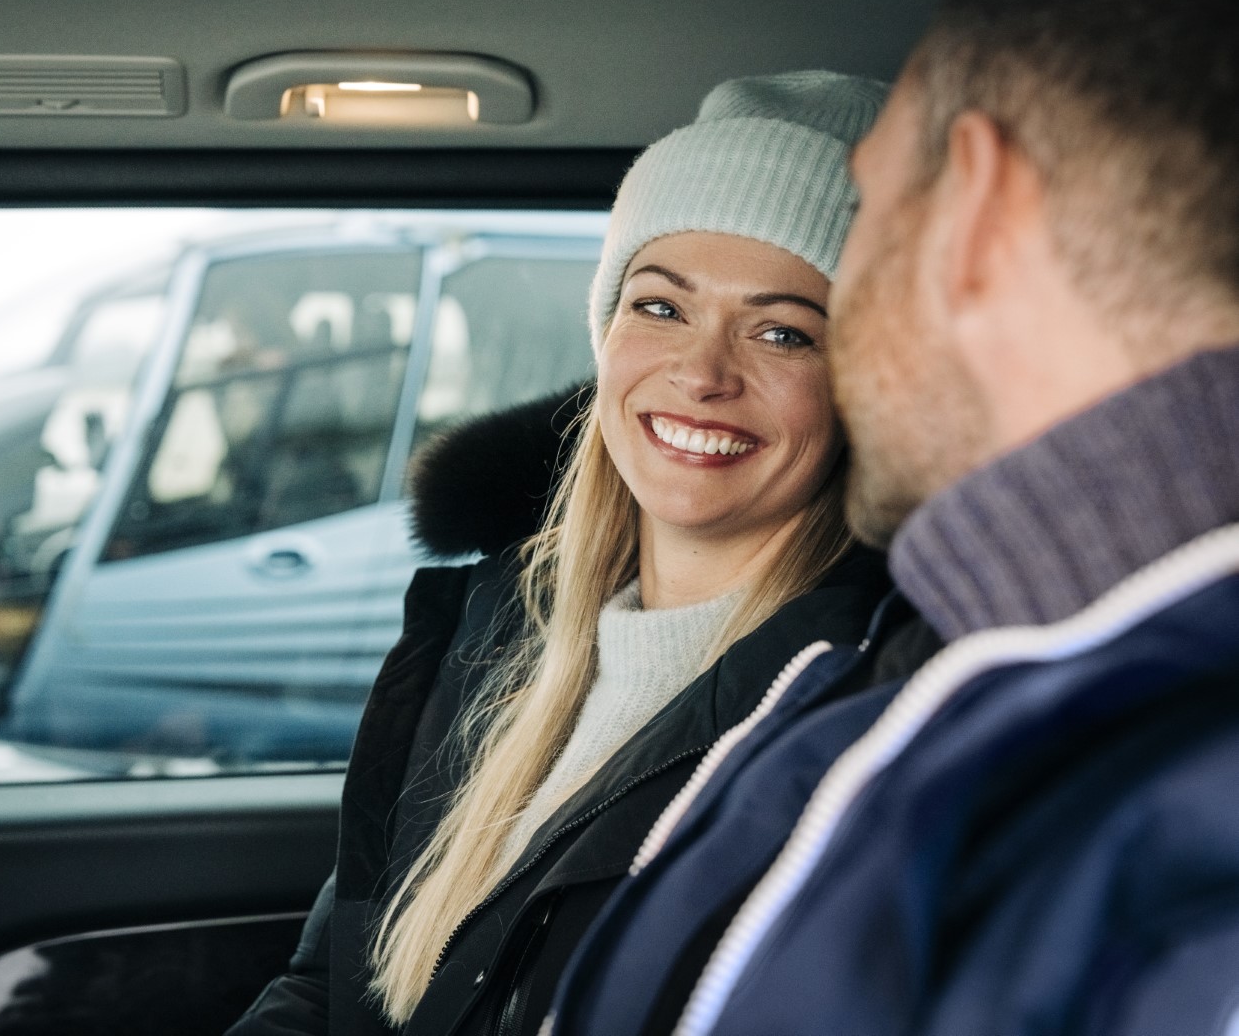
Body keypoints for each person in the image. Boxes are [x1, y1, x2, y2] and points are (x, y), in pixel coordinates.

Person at [544, 0, 1239, 1034]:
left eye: (866, 209)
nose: (708, 371)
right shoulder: (961, 678)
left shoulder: (1123, 782)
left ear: (975, 208)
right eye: (660, 308)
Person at [226, 71, 892, 1036]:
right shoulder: (488, 633)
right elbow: (333, 988)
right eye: (661, 307)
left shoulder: (867, 709)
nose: (701, 374)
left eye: (783, 331)